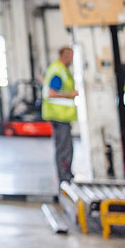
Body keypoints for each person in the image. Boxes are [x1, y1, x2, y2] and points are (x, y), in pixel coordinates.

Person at [41, 46, 79, 183]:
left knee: (64, 146)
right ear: (66, 55)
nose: (72, 59)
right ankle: (64, 177)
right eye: (71, 56)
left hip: (60, 115)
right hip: (59, 115)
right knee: (64, 148)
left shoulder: (57, 69)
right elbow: (51, 92)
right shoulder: (58, 71)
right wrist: (71, 94)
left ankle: (65, 175)